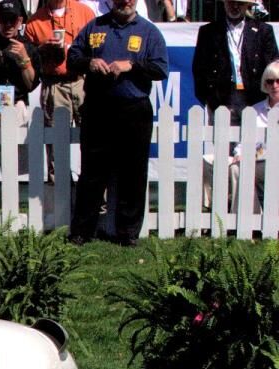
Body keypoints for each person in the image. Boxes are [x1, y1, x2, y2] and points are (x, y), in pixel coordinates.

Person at [66, 0, 168, 246]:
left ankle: (127, 234)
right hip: (99, 108)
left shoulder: (149, 31)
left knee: (133, 173)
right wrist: (89, 63)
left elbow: (160, 68)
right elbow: (73, 56)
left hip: (134, 108)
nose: (126, 2)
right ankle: (82, 231)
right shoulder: (94, 27)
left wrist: (131, 65)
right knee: (91, 172)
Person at [25, 0, 95, 181]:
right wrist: (43, 50)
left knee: (92, 140)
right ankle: (59, 198)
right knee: (56, 144)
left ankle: (94, 197)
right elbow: (29, 60)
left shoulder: (85, 12)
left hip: (82, 81)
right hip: (53, 83)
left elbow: (97, 47)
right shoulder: (34, 22)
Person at [203, 58, 279, 212]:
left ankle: (244, 217)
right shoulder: (256, 110)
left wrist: (252, 156)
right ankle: (210, 210)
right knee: (206, 161)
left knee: (237, 168)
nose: (274, 85)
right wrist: (239, 153)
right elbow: (244, 141)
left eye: (278, 80)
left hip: (269, 161)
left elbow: (269, 147)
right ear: (265, 84)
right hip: (249, 157)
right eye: (270, 81)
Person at [192, 0, 278, 126]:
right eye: (231, 2)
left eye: (240, 3)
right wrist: (211, 100)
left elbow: (273, 67)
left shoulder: (263, 31)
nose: (235, 6)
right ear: (224, 3)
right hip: (222, 101)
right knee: (223, 144)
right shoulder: (208, 32)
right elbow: (199, 69)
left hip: (255, 99)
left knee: (258, 143)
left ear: (247, 6)